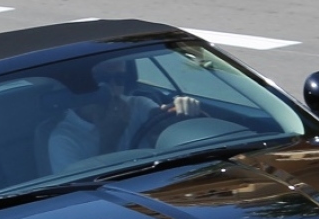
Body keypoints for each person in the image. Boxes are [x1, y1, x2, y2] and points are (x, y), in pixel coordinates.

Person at [48, 59, 204, 173]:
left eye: (119, 79)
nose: (113, 87)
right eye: (101, 80)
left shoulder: (137, 105)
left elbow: (161, 123)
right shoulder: (63, 139)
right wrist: (110, 138)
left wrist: (182, 112)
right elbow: (80, 196)